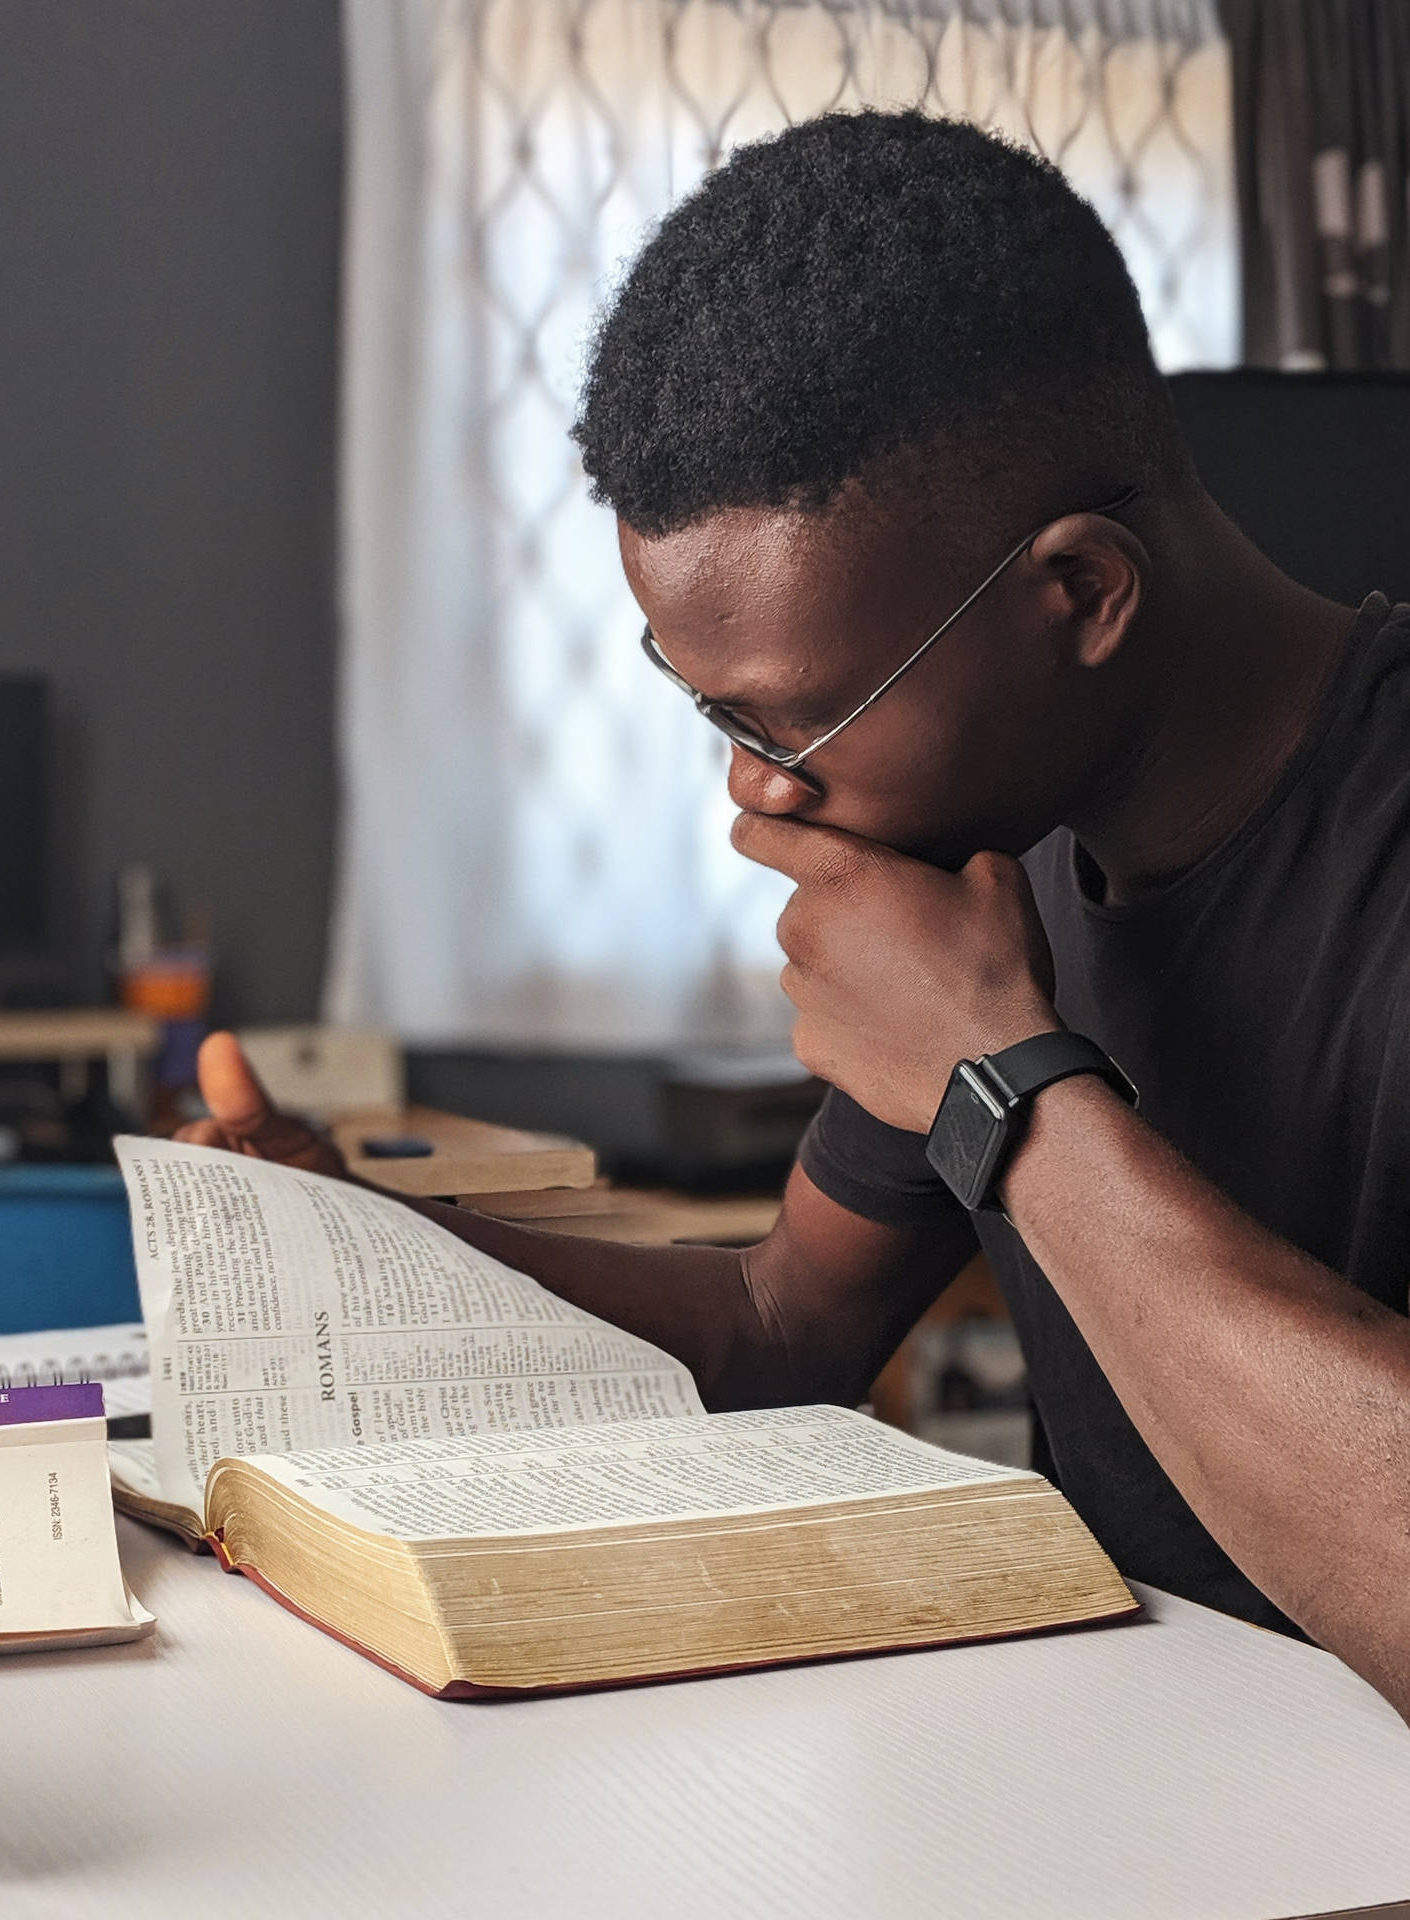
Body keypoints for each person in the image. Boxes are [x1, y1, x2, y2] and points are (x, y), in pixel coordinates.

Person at [183, 112, 1410, 1720]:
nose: (758, 799)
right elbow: (782, 1330)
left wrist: (1010, 1095)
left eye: (789, 725)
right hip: (1124, 1801)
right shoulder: (995, 847)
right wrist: (366, 1246)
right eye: (716, 722)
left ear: (1081, 596)